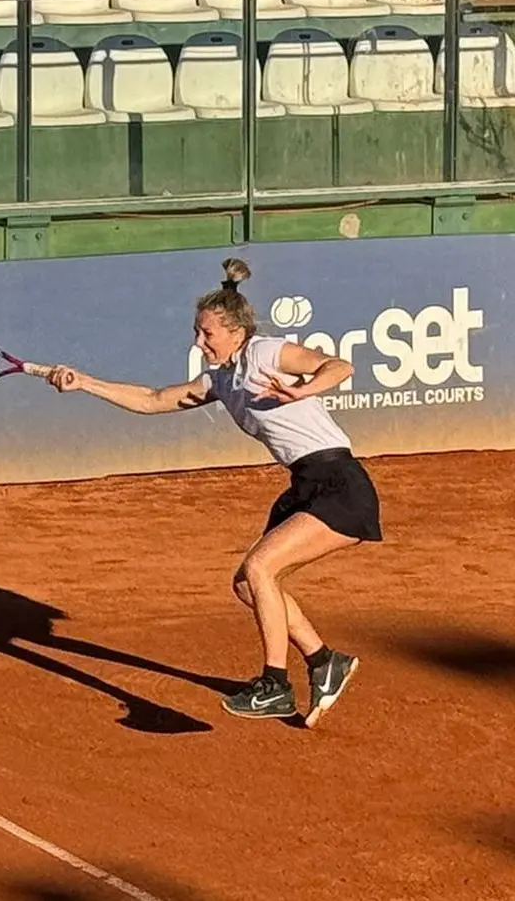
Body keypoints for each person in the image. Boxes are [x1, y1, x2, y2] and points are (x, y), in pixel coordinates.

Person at [43, 258, 382, 726]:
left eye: (207, 334)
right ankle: (325, 662)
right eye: (197, 333)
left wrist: (305, 390)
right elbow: (153, 400)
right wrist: (85, 383)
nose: (199, 342)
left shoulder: (265, 352)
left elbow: (339, 365)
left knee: (262, 566)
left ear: (237, 332)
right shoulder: (222, 378)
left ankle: (275, 685)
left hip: (340, 484)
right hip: (304, 484)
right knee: (249, 583)